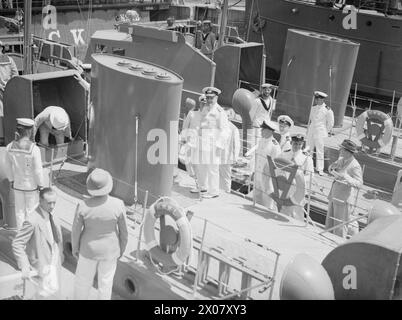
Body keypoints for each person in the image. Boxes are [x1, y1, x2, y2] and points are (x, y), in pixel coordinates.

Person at [72, 168, 128, 300]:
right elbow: (124, 232)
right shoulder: (119, 204)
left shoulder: (82, 205)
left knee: (82, 283)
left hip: (87, 250)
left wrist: (75, 248)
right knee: (106, 285)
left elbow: (75, 231)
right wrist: (121, 249)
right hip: (110, 251)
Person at [12, 188, 64, 299]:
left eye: (54, 202)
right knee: (42, 296)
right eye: (49, 203)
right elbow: (17, 243)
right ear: (40, 201)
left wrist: (61, 253)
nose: (52, 206)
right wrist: (25, 265)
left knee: (54, 293)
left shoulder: (53, 214)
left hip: (54, 262)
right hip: (41, 265)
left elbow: (57, 237)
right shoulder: (32, 220)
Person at [4, 118, 44, 229]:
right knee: (31, 211)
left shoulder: (9, 147)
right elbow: (38, 170)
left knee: (19, 211)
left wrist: (11, 180)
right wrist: (41, 184)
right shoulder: (34, 149)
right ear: (29, 131)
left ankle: (20, 235)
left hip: (17, 184)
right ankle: (30, 236)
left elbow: (7, 166)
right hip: (31, 186)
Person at [195, 86, 230, 199]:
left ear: (216, 98)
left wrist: (219, 145)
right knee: (201, 166)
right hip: (202, 143)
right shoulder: (205, 108)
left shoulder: (220, 112)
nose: (209, 100)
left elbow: (225, 130)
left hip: (213, 145)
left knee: (212, 169)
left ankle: (214, 191)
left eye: (211, 98)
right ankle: (202, 187)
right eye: (208, 97)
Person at [326, 139, 363, 238]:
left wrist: (346, 177)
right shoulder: (341, 160)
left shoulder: (355, 166)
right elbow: (331, 169)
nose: (339, 150)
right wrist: (332, 168)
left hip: (343, 199)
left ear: (347, 151)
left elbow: (359, 183)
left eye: (341, 149)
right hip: (334, 195)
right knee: (329, 224)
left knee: (340, 227)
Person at [279, 135, 314, 221]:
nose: (297, 146)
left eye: (300, 144)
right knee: (281, 209)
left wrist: (299, 181)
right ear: (291, 143)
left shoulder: (306, 158)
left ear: (302, 144)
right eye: (295, 143)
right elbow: (278, 168)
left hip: (298, 189)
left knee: (296, 213)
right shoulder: (284, 154)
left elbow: (310, 175)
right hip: (284, 187)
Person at [249, 120, 281, 211]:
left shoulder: (275, 146)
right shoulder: (261, 141)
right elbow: (257, 158)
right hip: (258, 176)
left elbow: (276, 166)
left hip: (268, 180)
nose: (261, 131)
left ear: (269, 131)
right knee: (255, 201)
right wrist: (253, 172)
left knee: (267, 204)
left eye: (263, 129)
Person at [306, 91, 334, 176]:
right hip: (311, 130)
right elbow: (311, 120)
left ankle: (320, 169)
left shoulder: (327, 110)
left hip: (320, 132)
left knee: (319, 151)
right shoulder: (313, 108)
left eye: (318, 99)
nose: (316, 100)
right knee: (308, 148)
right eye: (316, 99)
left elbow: (331, 123)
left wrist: (325, 131)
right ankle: (307, 166)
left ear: (322, 99)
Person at [181, 96, 203, 187]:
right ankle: (194, 178)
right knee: (188, 162)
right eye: (202, 103)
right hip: (191, 143)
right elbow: (185, 126)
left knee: (199, 165)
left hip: (202, 145)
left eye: (205, 104)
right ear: (200, 104)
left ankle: (198, 184)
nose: (204, 105)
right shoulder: (192, 114)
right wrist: (183, 138)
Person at [0, 40, 18, 144]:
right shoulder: (9, 60)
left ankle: (2, 137)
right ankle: (10, 135)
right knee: (9, 113)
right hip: (8, 89)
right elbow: (15, 75)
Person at [219, 109, 241, 193]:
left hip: (227, 157)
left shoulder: (233, 128)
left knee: (226, 176)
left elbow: (237, 144)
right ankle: (218, 191)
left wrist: (235, 158)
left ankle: (226, 192)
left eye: (227, 115)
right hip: (217, 155)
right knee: (216, 174)